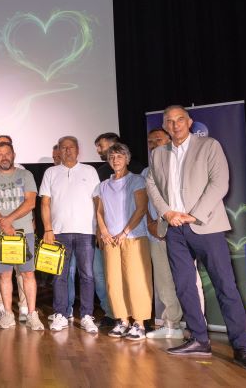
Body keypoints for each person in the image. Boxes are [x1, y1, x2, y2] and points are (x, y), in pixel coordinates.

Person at [146, 105, 246, 371]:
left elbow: (219, 183)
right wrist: (167, 212)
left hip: (205, 226)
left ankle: (241, 347)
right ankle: (199, 339)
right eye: (169, 121)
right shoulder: (158, 154)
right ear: (164, 126)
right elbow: (151, 184)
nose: (175, 125)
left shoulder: (209, 146)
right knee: (184, 286)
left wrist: (194, 215)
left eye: (180, 120)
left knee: (225, 286)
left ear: (189, 122)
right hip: (173, 229)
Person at [142, 128, 204, 339]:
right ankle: (172, 325)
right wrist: (151, 224)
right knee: (164, 282)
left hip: (180, 231)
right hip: (156, 233)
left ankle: (197, 328)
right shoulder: (146, 171)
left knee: (189, 281)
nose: (153, 145)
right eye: (150, 142)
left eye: (158, 140)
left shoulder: (180, 165)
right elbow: (144, 203)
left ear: (169, 140)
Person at [40, 136, 100, 334]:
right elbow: (45, 203)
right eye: (63, 148)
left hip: (86, 232)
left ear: (77, 149)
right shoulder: (51, 172)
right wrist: (48, 229)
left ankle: (87, 316)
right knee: (59, 276)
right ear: (59, 151)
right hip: (59, 233)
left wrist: (100, 227)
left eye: (71, 147)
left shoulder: (90, 171)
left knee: (87, 275)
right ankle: (61, 314)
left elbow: (98, 201)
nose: (67, 151)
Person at [0, 142, 43, 330]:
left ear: (14, 154)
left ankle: (32, 314)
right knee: (4, 275)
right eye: (0, 154)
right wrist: (3, 223)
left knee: (28, 273)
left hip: (23, 232)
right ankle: (8, 314)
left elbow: (30, 202)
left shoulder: (26, 175)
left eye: (7, 153)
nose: (4, 157)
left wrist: (8, 220)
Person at [94, 143, 152, 340]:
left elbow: (141, 208)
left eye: (119, 156)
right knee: (113, 281)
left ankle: (139, 323)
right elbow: (99, 211)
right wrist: (104, 232)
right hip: (111, 240)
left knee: (136, 280)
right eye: (112, 157)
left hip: (133, 237)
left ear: (127, 159)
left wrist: (124, 232)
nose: (115, 160)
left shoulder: (137, 180)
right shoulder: (103, 185)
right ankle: (122, 321)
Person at [0, 135, 27, 322]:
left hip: (19, 228)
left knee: (21, 268)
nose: (3, 153)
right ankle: (0, 305)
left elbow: (28, 201)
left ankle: (24, 306)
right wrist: (2, 222)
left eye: (7, 147)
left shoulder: (22, 171)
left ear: (12, 150)